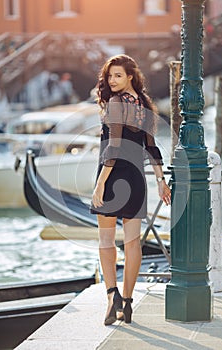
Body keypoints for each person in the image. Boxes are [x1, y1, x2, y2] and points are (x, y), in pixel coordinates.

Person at [90, 54, 171, 325]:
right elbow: (151, 146)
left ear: (131, 77)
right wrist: (161, 180)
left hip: (111, 176)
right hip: (136, 177)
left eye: (117, 76)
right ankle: (127, 302)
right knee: (133, 242)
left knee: (106, 241)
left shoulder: (115, 103)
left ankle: (111, 297)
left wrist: (100, 183)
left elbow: (113, 147)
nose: (112, 81)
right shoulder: (145, 104)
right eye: (109, 75)